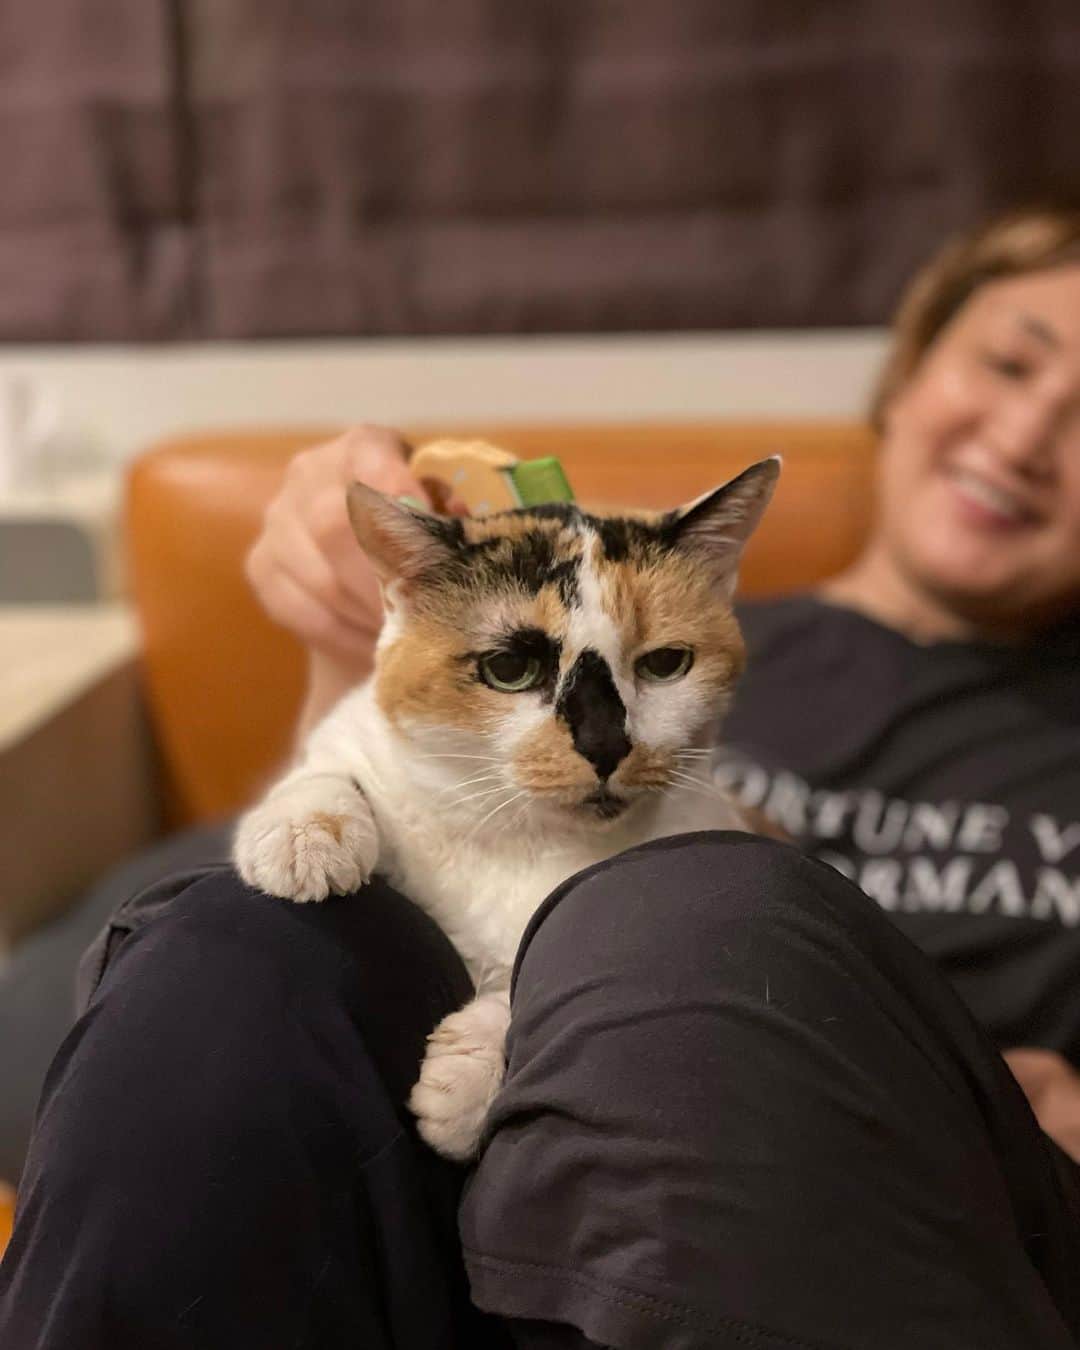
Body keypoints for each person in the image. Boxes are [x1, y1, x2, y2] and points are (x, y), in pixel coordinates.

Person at [2, 208, 1080, 1347]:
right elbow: (369, 873)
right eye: (1009, 364)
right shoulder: (644, 611)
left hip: (873, 1207)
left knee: (692, 907)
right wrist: (346, 639)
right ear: (906, 379)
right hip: (441, 1216)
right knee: (236, 954)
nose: (1023, 437)